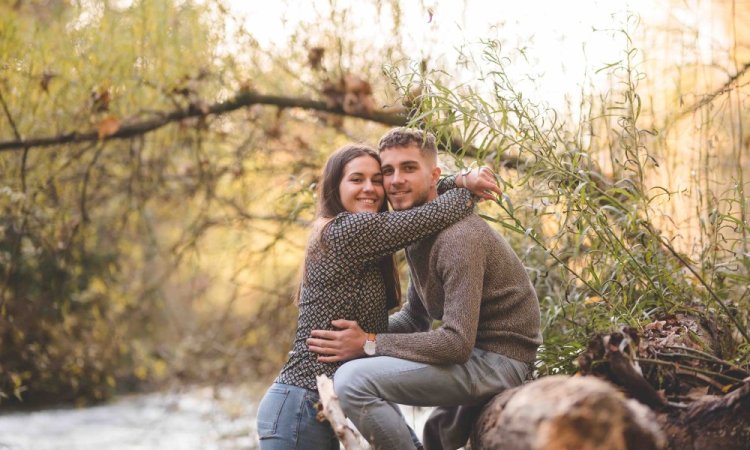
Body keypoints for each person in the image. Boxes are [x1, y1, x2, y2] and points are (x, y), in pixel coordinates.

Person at [307, 128, 543, 450]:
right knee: (436, 434)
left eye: (408, 168)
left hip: (500, 359)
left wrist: (369, 343)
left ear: (434, 176)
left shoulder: (459, 239)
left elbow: (457, 343)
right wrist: (355, 337)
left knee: (353, 381)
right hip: (475, 355)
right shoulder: (420, 232)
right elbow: (416, 318)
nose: (395, 181)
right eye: (387, 171)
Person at [256, 142, 501, 450]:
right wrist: (466, 185)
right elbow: (437, 211)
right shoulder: (344, 231)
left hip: (327, 400)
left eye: (377, 179)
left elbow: (426, 199)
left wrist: (368, 339)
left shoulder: (365, 243)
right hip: (299, 406)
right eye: (356, 179)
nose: (370, 188)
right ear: (335, 186)